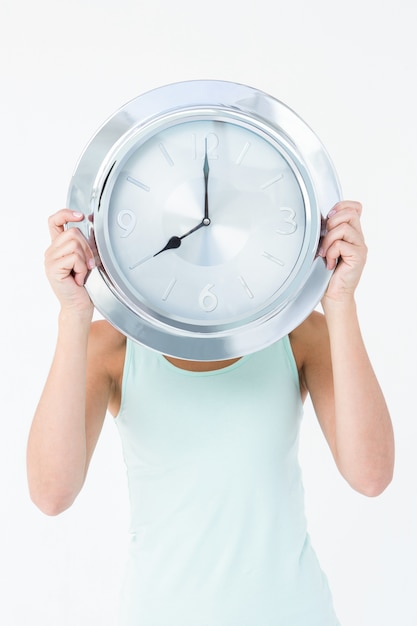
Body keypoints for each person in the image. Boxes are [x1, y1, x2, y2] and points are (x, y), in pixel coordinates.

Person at [27, 200, 394, 626]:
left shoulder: (297, 334)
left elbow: (371, 476)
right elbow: (51, 495)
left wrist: (340, 301)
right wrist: (73, 313)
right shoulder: (111, 347)